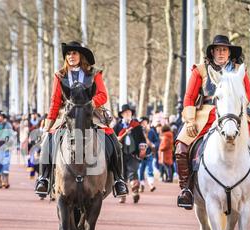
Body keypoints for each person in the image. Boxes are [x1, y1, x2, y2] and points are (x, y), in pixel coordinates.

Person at [175, 35, 250, 209]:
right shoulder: (200, 70)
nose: (221, 53)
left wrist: (236, 105)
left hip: (234, 113)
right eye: (218, 49)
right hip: (205, 113)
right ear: (212, 52)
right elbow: (189, 97)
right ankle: (186, 190)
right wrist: (190, 120)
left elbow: (247, 94)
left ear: (229, 52)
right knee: (181, 147)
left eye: (224, 50)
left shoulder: (239, 70)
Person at [35, 41, 128, 197]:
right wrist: (48, 126)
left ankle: (119, 180)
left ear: (81, 56)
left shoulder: (94, 73)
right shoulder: (60, 75)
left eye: (74, 53)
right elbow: (55, 101)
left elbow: (103, 95)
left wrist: (90, 103)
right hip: (67, 114)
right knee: (47, 141)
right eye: (68, 54)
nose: (71, 56)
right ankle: (43, 178)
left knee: (113, 141)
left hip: (91, 112)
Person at [114, 104, 147, 204]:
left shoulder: (136, 126)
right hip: (121, 154)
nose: (128, 114)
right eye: (126, 113)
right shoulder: (117, 126)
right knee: (121, 174)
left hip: (133, 153)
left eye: (129, 112)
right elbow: (113, 139)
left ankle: (135, 192)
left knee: (133, 172)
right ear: (122, 115)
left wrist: (142, 150)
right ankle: (122, 195)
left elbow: (142, 139)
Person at [138, 117, 158, 192]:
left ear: (147, 123)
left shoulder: (152, 131)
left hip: (149, 154)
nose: (143, 124)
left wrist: (152, 145)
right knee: (141, 170)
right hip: (141, 155)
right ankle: (142, 185)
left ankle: (151, 184)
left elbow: (156, 141)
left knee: (150, 169)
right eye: (141, 123)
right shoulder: (139, 132)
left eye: (144, 122)